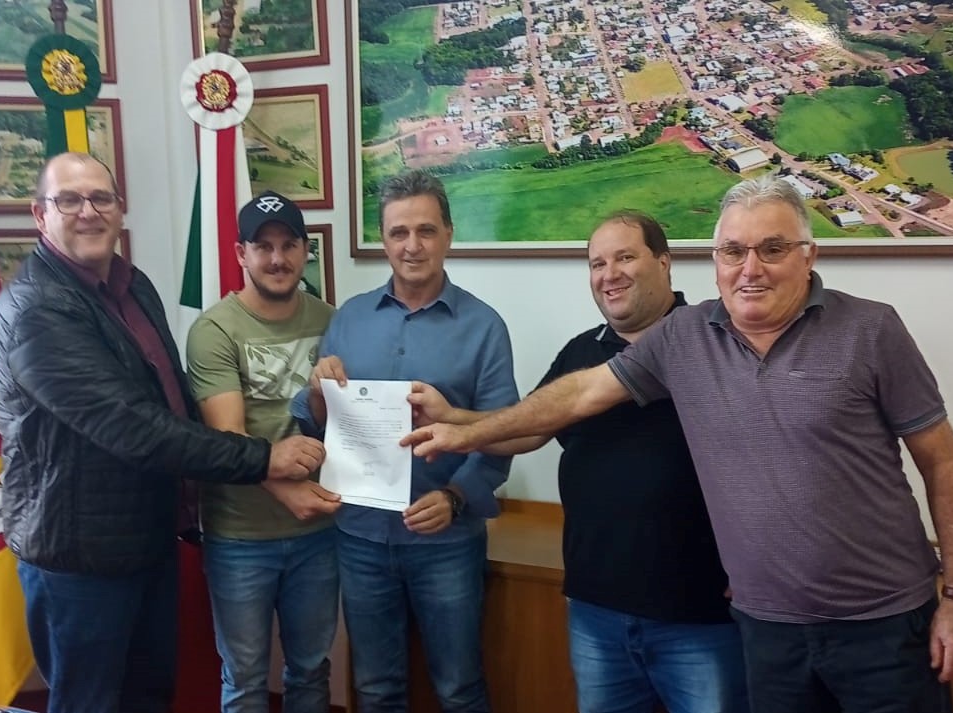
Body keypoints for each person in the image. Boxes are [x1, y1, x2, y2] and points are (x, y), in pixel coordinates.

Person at [404, 175, 953, 713]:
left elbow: (942, 461)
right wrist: (465, 429)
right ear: (715, 262)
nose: (750, 268)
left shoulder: (871, 328)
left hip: (884, 625)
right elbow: (578, 395)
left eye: (772, 248)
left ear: (808, 254)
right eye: (733, 251)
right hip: (766, 629)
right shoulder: (686, 336)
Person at [0, 153, 326, 713]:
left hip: (145, 538)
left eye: (101, 198)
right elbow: (132, 427)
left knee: (148, 696)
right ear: (40, 215)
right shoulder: (36, 309)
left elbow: (174, 401)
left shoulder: (132, 285)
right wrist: (264, 460)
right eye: (69, 200)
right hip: (79, 555)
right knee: (90, 702)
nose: (88, 212)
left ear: (120, 209)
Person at [411, 211, 748, 713]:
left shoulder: (713, 341)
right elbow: (527, 427)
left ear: (664, 262)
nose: (609, 275)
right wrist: (452, 417)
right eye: (597, 264)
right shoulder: (581, 352)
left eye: (624, 257)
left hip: (697, 617)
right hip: (596, 612)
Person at [291, 169, 519, 713]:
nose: (412, 246)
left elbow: (503, 432)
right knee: (375, 689)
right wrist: (319, 393)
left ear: (448, 235)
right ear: (383, 239)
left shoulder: (484, 327)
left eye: (425, 230)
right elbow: (318, 426)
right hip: (360, 539)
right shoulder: (349, 319)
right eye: (399, 232)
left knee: (459, 688)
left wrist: (455, 497)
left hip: (447, 542)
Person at [186, 190, 341, 713]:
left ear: (305, 251)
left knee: (311, 671)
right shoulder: (214, 330)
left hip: (318, 534)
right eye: (263, 246)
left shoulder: (332, 321)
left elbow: (345, 423)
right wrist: (290, 494)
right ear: (241, 254)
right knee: (246, 679)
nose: (277, 259)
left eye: (289, 245)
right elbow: (230, 438)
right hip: (240, 536)